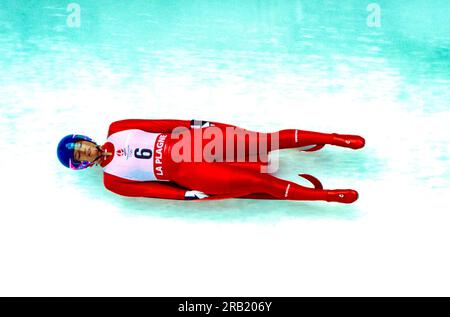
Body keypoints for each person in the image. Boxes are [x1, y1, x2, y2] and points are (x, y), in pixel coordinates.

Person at [57, 119, 365, 203]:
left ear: (84, 139)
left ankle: (334, 137)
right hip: (190, 173)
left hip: (196, 141)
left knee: (263, 141)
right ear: (82, 163)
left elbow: (161, 123)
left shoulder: (117, 128)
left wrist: (196, 124)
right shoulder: (112, 181)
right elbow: (152, 191)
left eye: (81, 146)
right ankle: (325, 196)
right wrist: (187, 195)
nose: (85, 151)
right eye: (80, 155)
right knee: (257, 183)